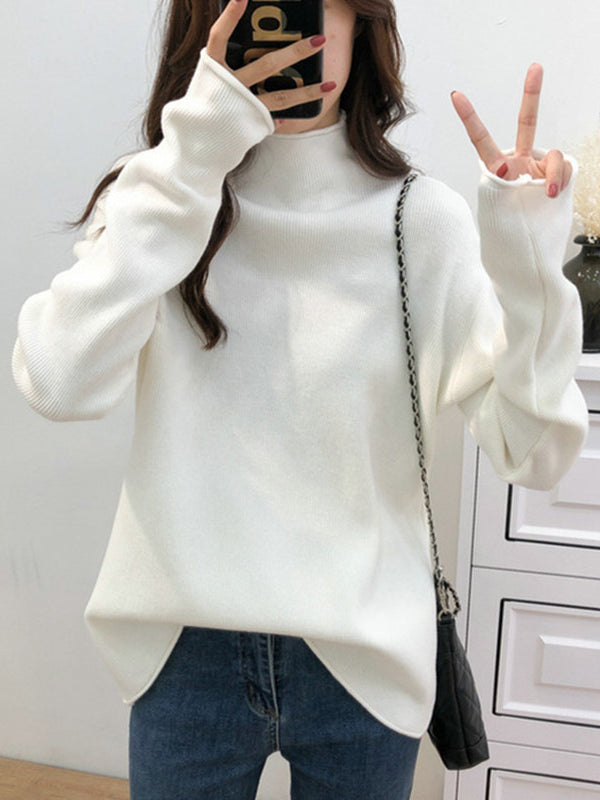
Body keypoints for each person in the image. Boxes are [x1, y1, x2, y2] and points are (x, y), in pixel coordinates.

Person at [11, 0, 588, 797]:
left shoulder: (419, 220)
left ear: (361, 22)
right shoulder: (162, 198)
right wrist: (195, 154)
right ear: (209, 25)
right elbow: (57, 380)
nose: (286, 33)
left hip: (363, 660)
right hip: (183, 654)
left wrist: (530, 271)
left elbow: (536, 454)